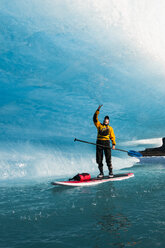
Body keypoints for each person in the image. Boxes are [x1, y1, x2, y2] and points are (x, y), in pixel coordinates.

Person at [93, 105, 116, 178]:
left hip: (106, 143)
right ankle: (101, 173)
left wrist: (113, 144)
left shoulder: (110, 128)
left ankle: (111, 172)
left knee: (108, 159)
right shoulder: (99, 125)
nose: (105, 121)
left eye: (107, 120)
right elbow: (94, 118)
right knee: (99, 159)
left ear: (108, 121)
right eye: (105, 120)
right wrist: (98, 110)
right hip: (99, 143)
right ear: (103, 120)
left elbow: (112, 136)